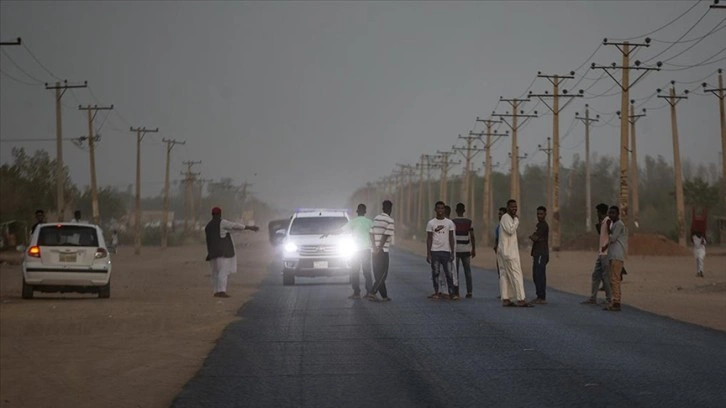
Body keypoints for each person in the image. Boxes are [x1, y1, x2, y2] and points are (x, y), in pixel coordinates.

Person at [204, 207, 259, 298]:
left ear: (212, 214)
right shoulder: (222, 223)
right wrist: (249, 227)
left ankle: (216, 291)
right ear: (220, 214)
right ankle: (222, 291)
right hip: (222, 252)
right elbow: (234, 226)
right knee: (223, 272)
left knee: (215, 273)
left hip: (212, 253)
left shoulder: (208, 226)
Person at [497, 199, 532, 307]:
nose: (514, 209)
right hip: (509, 253)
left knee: (505, 275)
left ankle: (506, 298)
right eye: (512, 207)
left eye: (515, 207)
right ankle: (521, 299)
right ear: (507, 208)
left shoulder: (507, 218)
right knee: (516, 274)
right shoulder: (506, 217)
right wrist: (516, 220)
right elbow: (510, 230)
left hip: (504, 251)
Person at [581, 203, 612, 305]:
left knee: (606, 277)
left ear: (600, 212)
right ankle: (593, 297)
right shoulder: (603, 222)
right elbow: (602, 234)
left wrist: (606, 246)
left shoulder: (608, 221)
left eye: (597, 212)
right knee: (596, 275)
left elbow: (612, 236)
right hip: (601, 253)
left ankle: (609, 299)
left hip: (606, 253)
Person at [426, 201, 458, 300]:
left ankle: (451, 293)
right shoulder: (431, 223)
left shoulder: (449, 223)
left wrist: (452, 252)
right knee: (435, 272)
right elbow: (429, 238)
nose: (440, 210)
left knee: (449, 273)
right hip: (435, 251)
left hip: (446, 251)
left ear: (444, 209)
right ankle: (436, 292)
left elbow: (451, 238)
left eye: (442, 208)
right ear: (435, 209)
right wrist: (428, 253)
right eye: (438, 208)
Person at [342, 204, 374, 299]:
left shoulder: (353, 222)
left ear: (357, 212)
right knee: (367, 272)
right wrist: (376, 247)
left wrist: (328, 233)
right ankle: (369, 292)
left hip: (355, 251)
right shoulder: (369, 222)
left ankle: (356, 292)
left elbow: (341, 230)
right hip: (366, 250)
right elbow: (373, 235)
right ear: (365, 212)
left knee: (355, 271)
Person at [369, 200, 395, 302]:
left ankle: (384, 296)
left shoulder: (375, 218)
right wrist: (379, 248)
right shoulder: (390, 220)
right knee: (383, 274)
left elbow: (371, 233)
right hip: (383, 251)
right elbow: (386, 235)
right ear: (390, 209)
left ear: (383, 208)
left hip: (374, 251)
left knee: (377, 274)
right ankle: (372, 292)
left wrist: (374, 247)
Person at [603, 205, 627, 312]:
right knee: (613, 279)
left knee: (615, 279)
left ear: (617, 214)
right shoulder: (615, 224)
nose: (611, 215)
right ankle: (614, 301)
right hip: (613, 255)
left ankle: (616, 302)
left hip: (617, 255)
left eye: (613, 213)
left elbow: (612, 238)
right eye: (610, 213)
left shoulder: (619, 224)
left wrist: (608, 227)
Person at [452, 202, 476, 298]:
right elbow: (472, 236)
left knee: (455, 271)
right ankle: (469, 291)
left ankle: (456, 291)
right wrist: (473, 249)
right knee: (467, 271)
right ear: (464, 211)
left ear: (456, 211)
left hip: (456, 250)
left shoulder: (453, 222)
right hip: (466, 249)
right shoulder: (468, 221)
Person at [529, 206, 549, 304]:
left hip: (541, 253)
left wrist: (532, 236)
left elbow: (535, 238)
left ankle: (541, 297)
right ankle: (539, 295)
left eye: (541, 214)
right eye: (538, 214)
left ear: (545, 214)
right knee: (536, 274)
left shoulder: (543, 226)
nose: (539, 216)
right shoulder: (539, 225)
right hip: (537, 253)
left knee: (539, 275)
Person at [493, 207, 506, 299]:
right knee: (500, 272)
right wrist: (495, 245)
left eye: (501, 214)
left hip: (506, 253)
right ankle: (503, 292)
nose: (499, 216)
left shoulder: (507, 226)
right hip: (499, 252)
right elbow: (497, 238)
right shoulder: (498, 227)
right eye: (499, 214)